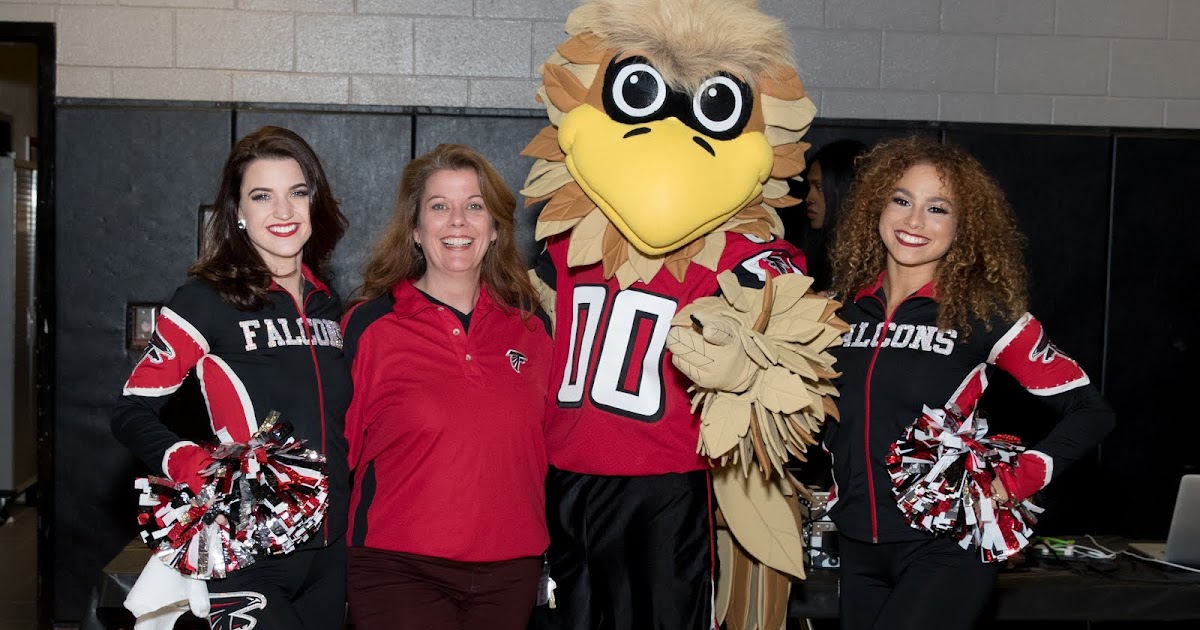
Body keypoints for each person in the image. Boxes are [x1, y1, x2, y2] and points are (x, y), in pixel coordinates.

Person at [823, 135, 1115, 630]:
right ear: (877, 207)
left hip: (945, 549)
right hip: (855, 547)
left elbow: (1092, 412)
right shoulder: (835, 311)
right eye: (901, 201)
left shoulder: (984, 316)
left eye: (937, 209)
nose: (914, 222)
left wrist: (1016, 480)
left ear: (963, 227)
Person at [111, 126, 352, 629]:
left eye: (298, 193)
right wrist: (187, 460)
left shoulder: (331, 305)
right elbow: (131, 407)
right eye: (262, 196)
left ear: (316, 204)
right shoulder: (205, 300)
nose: (283, 212)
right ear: (238, 213)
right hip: (248, 549)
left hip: (331, 554)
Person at [340, 144, 552, 630]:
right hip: (397, 567)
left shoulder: (533, 328)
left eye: (474, 206)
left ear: (495, 228)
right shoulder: (371, 327)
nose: (458, 221)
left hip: (511, 570)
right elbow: (336, 455)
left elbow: (551, 445)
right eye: (440, 207)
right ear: (415, 230)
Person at [799, 138, 867, 292]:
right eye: (810, 187)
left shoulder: (869, 260)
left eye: (819, 187)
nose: (809, 198)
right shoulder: (817, 249)